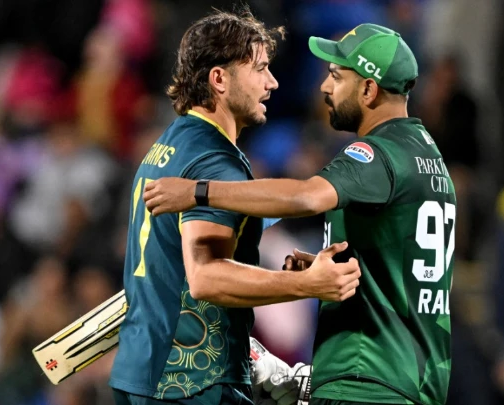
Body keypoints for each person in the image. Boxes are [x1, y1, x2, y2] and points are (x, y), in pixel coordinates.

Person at [143, 23, 457, 405]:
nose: (325, 88)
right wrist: (317, 270)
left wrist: (198, 192)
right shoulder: (428, 158)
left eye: (336, 77)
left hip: (367, 380)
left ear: (369, 89)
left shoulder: (377, 154)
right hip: (414, 380)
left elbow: (308, 197)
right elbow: (403, 265)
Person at [108, 9, 361, 405]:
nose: (272, 82)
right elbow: (206, 278)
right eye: (260, 69)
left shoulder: (168, 146)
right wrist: (305, 286)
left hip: (143, 372)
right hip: (191, 382)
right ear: (219, 78)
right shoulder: (214, 162)